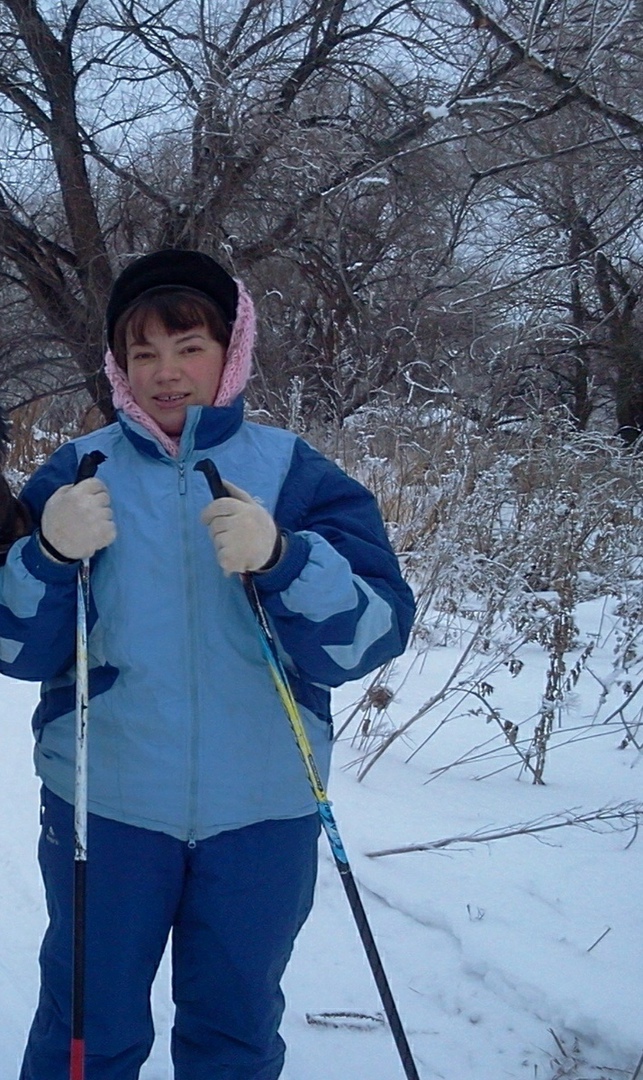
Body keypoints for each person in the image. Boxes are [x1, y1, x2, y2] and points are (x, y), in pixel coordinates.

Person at [0, 249, 415, 1080]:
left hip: (263, 811)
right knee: (86, 1031)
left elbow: (371, 638)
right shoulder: (76, 472)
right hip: (106, 810)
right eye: (143, 353)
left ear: (231, 352)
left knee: (235, 1033)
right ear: (118, 366)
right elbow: (17, 648)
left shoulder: (296, 473)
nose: (166, 373)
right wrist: (46, 553)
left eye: (189, 347)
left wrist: (287, 559)